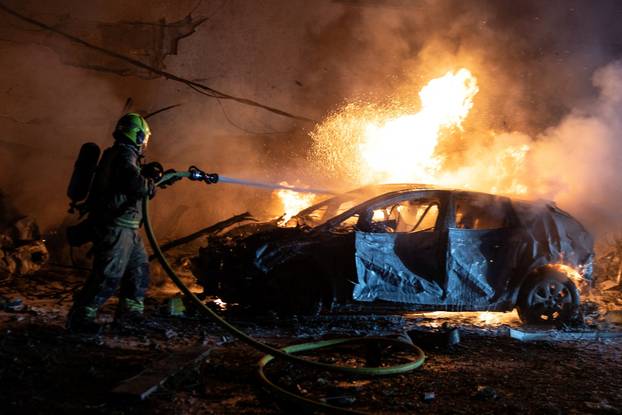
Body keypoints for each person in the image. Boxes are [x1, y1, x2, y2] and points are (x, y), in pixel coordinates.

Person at [67, 113, 157, 333]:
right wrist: (151, 184)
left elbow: (129, 181)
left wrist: (150, 175)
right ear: (137, 135)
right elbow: (135, 184)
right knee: (108, 276)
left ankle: (130, 317)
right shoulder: (124, 155)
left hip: (129, 229)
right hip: (117, 227)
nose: (144, 142)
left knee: (138, 271)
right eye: (143, 137)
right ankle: (80, 319)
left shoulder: (123, 155)